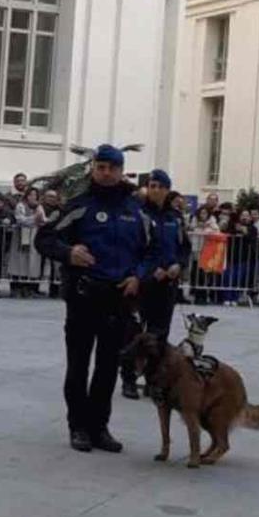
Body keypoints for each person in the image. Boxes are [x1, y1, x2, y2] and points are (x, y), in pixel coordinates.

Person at [34, 144, 156, 454]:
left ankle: (99, 427)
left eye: (111, 168)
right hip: (83, 296)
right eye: (100, 167)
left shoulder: (135, 210)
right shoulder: (79, 205)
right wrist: (69, 253)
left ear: (121, 170)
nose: (105, 173)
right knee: (78, 366)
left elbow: (151, 251)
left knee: (106, 367)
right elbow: (45, 238)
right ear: (94, 169)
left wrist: (138, 277)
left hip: (119, 299)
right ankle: (78, 427)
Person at [121, 169, 191, 400]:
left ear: (168, 190)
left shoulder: (175, 218)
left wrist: (178, 265)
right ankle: (129, 379)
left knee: (159, 334)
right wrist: (150, 272)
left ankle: (153, 380)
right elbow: (134, 249)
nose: (156, 190)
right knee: (133, 334)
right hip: (143, 283)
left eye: (161, 186)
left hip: (167, 285)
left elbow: (184, 248)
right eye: (152, 185)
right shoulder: (136, 214)